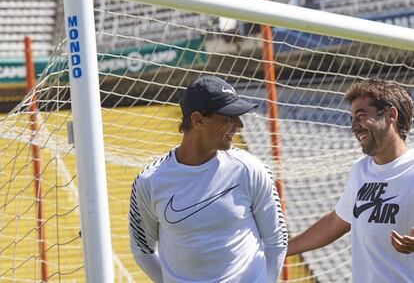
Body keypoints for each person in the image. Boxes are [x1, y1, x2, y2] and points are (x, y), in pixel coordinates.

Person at [129, 75, 288, 283]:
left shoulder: (251, 169)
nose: (239, 125)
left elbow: (278, 240)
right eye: (228, 117)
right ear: (198, 120)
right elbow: (143, 250)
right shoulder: (148, 181)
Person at [287, 78, 414, 282]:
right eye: (351, 119)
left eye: (361, 116)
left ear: (391, 115)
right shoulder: (359, 170)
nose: (354, 127)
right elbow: (334, 222)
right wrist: (280, 250)